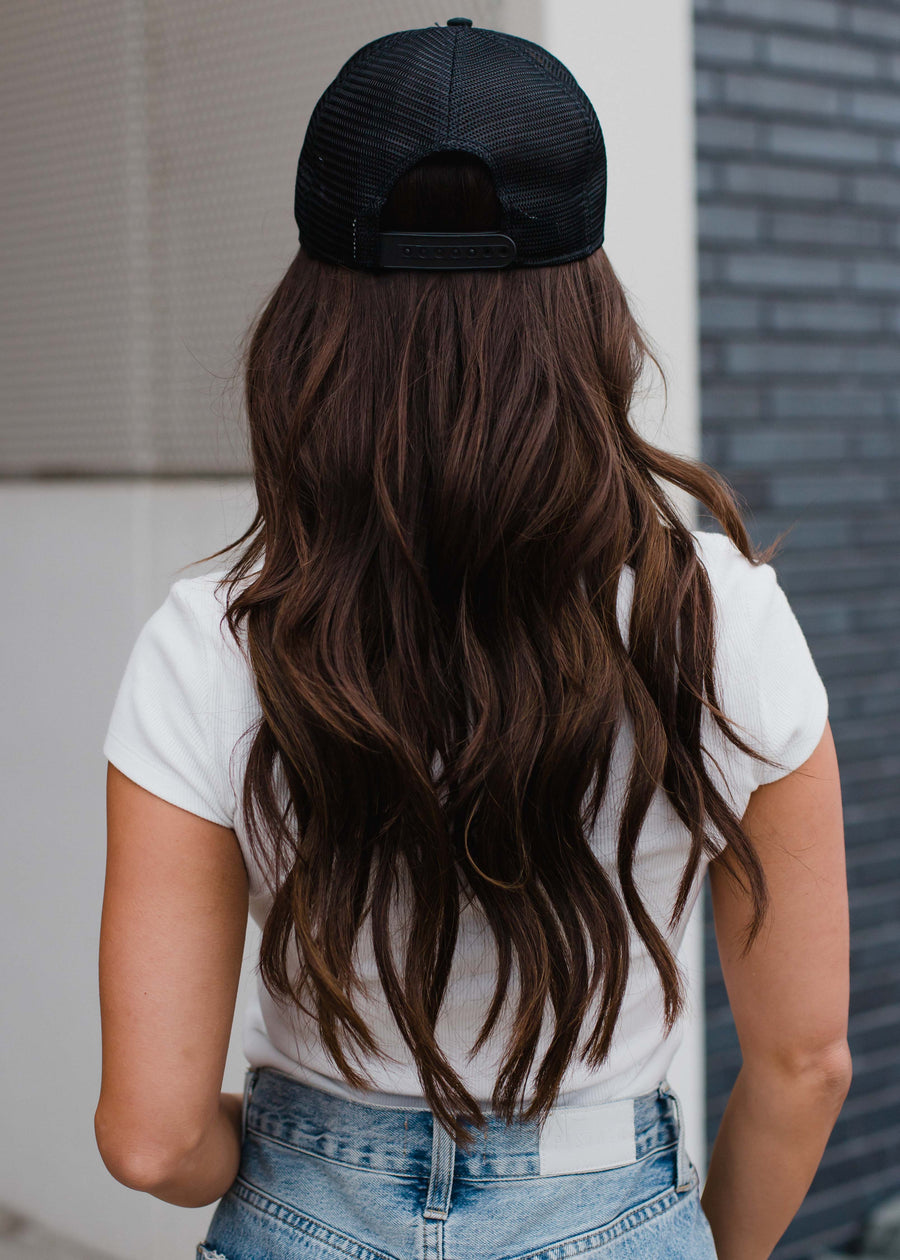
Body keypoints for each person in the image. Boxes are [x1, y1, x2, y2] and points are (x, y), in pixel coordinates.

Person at [94, 17, 851, 1260]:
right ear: (591, 311)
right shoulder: (716, 616)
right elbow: (806, 1061)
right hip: (611, 1203)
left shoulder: (215, 639)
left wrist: (314, 1167)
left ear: (310, 324)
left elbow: (152, 1140)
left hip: (302, 1214)